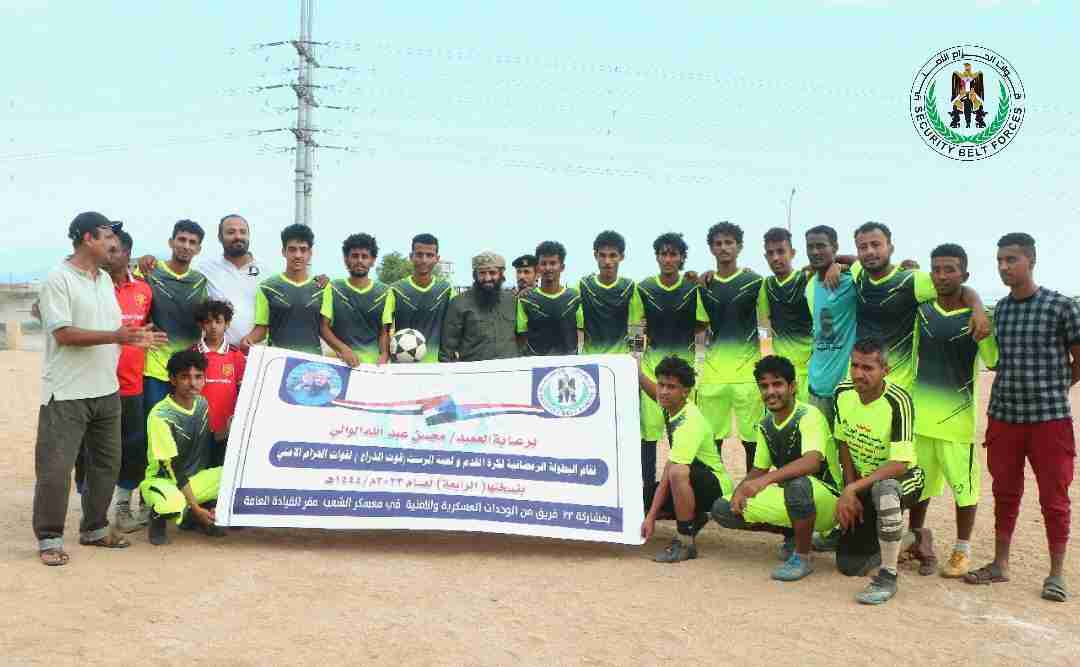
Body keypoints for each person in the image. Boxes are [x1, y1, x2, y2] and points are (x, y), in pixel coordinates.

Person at [33, 213, 160, 565]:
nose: (113, 244)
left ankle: (94, 528)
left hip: (107, 389)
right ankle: (49, 538)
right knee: (56, 468)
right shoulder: (58, 279)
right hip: (66, 393)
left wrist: (134, 338)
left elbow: (113, 330)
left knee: (106, 464)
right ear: (87, 238)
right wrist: (116, 336)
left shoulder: (103, 279)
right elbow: (63, 333)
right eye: (107, 237)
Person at [964, 233, 1080, 603]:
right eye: (1000, 260)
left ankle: (1056, 573)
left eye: (1011, 259)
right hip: (1004, 416)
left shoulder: (1061, 307)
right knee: (1005, 492)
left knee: (1054, 497)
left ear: (1031, 260)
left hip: (1050, 420)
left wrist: (1056, 387)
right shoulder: (1001, 311)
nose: (1004, 267)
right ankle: (1000, 564)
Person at [905, 244, 999, 578]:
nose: (942, 276)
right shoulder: (922, 312)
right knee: (918, 487)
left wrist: (979, 310)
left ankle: (962, 550)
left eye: (950, 269)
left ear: (964, 275)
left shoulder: (977, 318)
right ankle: (915, 539)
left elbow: (993, 360)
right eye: (937, 269)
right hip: (921, 420)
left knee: (964, 490)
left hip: (957, 423)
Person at [710, 355, 840, 581]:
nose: (770, 391)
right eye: (764, 386)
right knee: (723, 508)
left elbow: (812, 462)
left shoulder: (809, 415)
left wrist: (764, 481)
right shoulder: (766, 424)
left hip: (827, 499)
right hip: (792, 495)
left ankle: (803, 556)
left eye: (777, 384)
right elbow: (759, 469)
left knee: (797, 485)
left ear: (792, 387)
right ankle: (794, 535)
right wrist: (741, 490)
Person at [833, 338, 925, 605]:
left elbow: (900, 464)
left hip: (903, 478)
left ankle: (888, 575)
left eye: (868, 368)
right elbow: (843, 442)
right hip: (864, 482)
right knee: (850, 566)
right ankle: (909, 540)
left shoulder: (898, 401)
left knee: (885, 491)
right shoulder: (842, 393)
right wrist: (849, 490)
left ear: (886, 370)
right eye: (855, 366)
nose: (859, 374)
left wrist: (853, 488)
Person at [850, 221, 988, 391]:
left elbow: (957, 288)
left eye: (876, 244)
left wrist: (977, 308)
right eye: (863, 247)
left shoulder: (912, 280)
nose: (870, 251)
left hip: (896, 388)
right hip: (858, 383)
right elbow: (849, 260)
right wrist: (834, 265)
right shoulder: (858, 273)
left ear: (890, 248)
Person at [639, 355, 734, 563]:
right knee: (640, 501)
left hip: (714, 486)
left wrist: (652, 516)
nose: (664, 391)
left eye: (671, 387)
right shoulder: (672, 404)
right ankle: (696, 517)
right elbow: (654, 392)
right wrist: (637, 372)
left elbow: (669, 471)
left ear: (686, 391)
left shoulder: (688, 421)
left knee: (676, 472)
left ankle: (685, 541)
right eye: (662, 384)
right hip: (692, 479)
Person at [636, 233, 708, 487]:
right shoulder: (644, 288)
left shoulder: (692, 289)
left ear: (681, 258)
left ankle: (686, 489)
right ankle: (647, 489)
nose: (668, 259)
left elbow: (702, 324)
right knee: (648, 436)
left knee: (683, 434)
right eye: (663, 254)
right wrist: (636, 356)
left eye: (673, 254)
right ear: (657, 257)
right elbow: (637, 327)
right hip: (652, 371)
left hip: (683, 375)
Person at [697, 221, 765, 473]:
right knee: (711, 440)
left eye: (729, 242)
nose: (724, 248)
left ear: (739, 247)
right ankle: (717, 489)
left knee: (753, 441)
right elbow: (700, 324)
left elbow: (772, 314)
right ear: (711, 248)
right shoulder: (704, 287)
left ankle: (752, 491)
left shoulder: (755, 282)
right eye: (718, 243)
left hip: (748, 374)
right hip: (713, 375)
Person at [142, 350, 226, 545]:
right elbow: (173, 466)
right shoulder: (161, 415)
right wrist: (196, 508)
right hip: (164, 482)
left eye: (198, 377)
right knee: (171, 503)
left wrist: (231, 429)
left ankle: (195, 515)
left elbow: (210, 443)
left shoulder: (202, 404)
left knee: (236, 477)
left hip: (195, 479)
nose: (192, 383)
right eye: (185, 377)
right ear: (172, 379)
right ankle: (159, 518)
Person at [105, 229, 157, 533]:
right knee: (97, 450)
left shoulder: (144, 289)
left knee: (133, 446)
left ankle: (124, 505)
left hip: (132, 384)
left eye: (115, 249)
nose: (109, 254)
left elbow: (148, 329)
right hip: (96, 384)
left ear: (127, 253)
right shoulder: (93, 286)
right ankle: (94, 513)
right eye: (106, 248)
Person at [142, 220, 209, 423]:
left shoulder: (200, 281)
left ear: (198, 249)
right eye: (182, 240)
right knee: (155, 426)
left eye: (192, 242)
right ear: (171, 242)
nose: (186, 246)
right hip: (155, 369)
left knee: (184, 428)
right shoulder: (149, 271)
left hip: (188, 372)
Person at [242, 224, 325, 355]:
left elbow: (327, 329)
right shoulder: (267, 288)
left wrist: (343, 348)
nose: (298, 255)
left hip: (311, 361)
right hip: (278, 360)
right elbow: (261, 329)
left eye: (303, 250)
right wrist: (249, 339)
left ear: (310, 253)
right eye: (292, 249)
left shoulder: (322, 289)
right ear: (283, 252)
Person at [803, 225, 856, 429]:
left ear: (834, 247)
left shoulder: (851, 281)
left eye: (821, 246)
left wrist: (841, 264)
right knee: (819, 445)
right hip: (816, 387)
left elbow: (876, 268)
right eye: (810, 247)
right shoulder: (810, 287)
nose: (815, 251)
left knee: (848, 446)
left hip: (848, 388)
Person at [321, 233, 393, 366]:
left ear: (372, 260)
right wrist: (343, 349)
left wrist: (384, 354)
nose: (359, 260)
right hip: (339, 364)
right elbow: (323, 327)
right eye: (354, 256)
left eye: (364, 256)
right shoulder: (333, 288)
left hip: (373, 367)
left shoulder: (385, 292)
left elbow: (384, 332)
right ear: (346, 259)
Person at [757, 228, 812, 400]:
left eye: (781, 251)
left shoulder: (807, 278)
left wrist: (836, 265)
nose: (775, 257)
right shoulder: (766, 285)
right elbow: (764, 325)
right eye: (770, 253)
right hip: (782, 371)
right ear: (765, 257)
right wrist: (768, 356)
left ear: (792, 253)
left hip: (811, 369)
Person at [195, 214, 263, 348]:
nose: (238, 236)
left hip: (255, 352)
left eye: (243, 232)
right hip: (218, 353)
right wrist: (151, 261)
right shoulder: (205, 268)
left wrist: (252, 338)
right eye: (231, 232)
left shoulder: (266, 272)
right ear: (219, 237)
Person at [193, 299, 246, 467]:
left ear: (227, 324)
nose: (213, 327)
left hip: (226, 431)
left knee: (221, 473)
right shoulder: (192, 354)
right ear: (201, 324)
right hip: (197, 429)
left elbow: (243, 393)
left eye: (218, 321)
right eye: (208, 322)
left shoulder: (236, 356)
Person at [440, 251, 519, 362]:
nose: (487, 278)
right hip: (474, 370)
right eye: (482, 273)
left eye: (492, 273)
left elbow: (522, 337)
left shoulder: (512, 301)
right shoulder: (458, 303)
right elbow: (447, 348)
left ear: (501, 274)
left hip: (510, 369)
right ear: (475, 275)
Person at [389, 233, 454, 363]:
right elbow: (384, 329)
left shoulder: (446, 290)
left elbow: (455, 327)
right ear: (411, 257)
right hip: (402, 365)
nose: (424, 260)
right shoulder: (396, 290)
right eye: (419, 255)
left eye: (429, 255)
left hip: (437, 364)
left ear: (437, 258)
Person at [576, 230, 644, 355]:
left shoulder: (630, 287)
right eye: (602, 255)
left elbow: (636, 328)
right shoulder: (583, 286)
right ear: (595, 255)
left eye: (613, 255)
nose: (607, 261)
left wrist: (636, 358)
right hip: (591, 359)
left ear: (621, 257)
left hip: (620, 359)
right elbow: (578, 329)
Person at [516, 240, 581, 356]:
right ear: (538, 268)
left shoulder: (574, 297)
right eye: (543, 263)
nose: (548, 268)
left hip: (569, 362)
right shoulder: (525, 299)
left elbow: (581, 332)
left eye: (553, 263)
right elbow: (521, 336)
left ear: (562, 267)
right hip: (536, 363)